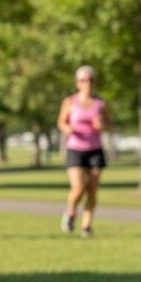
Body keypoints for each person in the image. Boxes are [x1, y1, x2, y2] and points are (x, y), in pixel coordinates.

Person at [56, 65, 112, 237]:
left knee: (92, 190)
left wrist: (102, 126)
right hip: (75, 149)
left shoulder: (100, 104)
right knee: (79, 188)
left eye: (90, 80)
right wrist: (67, 129)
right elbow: (61, 123)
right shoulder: (69, 102)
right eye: (82, 80)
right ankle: (71, 213)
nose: (86, 83)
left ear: (94, 82)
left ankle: (86, 226)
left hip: (95, 149)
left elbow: (110, 126)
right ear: (77, 83)